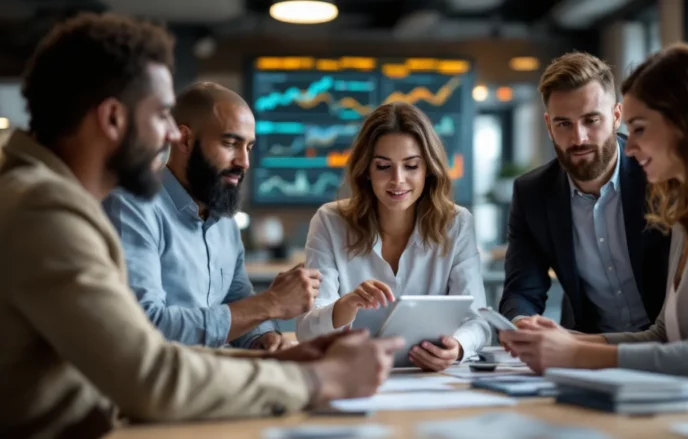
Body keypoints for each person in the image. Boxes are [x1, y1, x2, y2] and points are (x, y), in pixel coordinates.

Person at [0, 13, 403, 438]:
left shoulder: (39, 196)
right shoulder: (44, 211)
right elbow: (149, 376)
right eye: (160, 117)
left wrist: (279, 362)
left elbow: (142, 358)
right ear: (113, 119)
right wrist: (322, 380)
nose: (172, 136)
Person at [501, 43, 688, 402]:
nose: (629, 147)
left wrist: (576, 353)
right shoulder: (687, 207)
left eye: (639, 128)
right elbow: (663, 333)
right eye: (565, 123)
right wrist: (564, 341)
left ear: (684, 124)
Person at [104, 82, 308, 351]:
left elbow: (237, 299)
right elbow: (146, 325)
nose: (244, 162)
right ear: (184, 139)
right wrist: (270, 303)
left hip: (213, 375)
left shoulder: (223, 217)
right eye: (230, 143)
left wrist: (262, 337)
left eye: (248, 147)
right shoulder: (133, 208)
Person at [295, 102, 491, 371]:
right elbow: (306, 331)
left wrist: (456, 348)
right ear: (367, 171)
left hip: (430, 379)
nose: (397, 180)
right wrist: (346, 305)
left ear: (428, 170)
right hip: (353, 376)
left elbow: (478, 321)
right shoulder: (330, 221)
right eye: (384, 166)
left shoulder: (456, 223)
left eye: (411, 166)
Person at [498, 51, 670, 333]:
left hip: (666, 347)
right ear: (549, 126)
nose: (578, 138)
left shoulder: (656, 174)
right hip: (586, 351)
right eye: (564, 124)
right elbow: (522, 290)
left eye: (591, 120)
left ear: (616, 116)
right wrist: (523, 324)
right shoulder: (532, 193)